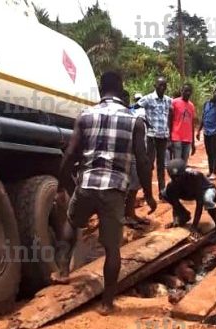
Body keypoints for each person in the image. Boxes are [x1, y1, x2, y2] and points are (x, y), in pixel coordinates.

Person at [54, 71, 157, 315]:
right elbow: (143, 162)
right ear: (121, 89)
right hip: (113, 191)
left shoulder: (85, 116)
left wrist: (61, 184)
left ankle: (62, 272)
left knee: (72, 222)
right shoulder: (135, 121)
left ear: (101, 89)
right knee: (112, 248)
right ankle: (107, 303)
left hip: (87, 184)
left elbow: (70, 154)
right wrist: (150, 194)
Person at [162, 159, 216, 239]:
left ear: (184, 173)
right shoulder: (172, 185)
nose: (176, 179)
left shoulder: (195, 176)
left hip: (205, 189)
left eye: (178, 177)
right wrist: (176, 219)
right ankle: (185, 215)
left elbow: (199, 202)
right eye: (173, 177)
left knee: (207, 200)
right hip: (188, 192)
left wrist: (194, 226)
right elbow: (175, 202)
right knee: (165, 193)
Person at [134, 76, 173, 195]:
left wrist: (169, 134)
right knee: (149, 164)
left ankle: (162, 191)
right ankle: (147, 192)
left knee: (161, 165)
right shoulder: (148, 99)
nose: (162, 88)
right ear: (155, 86)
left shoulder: (168, 100)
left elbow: (170, 115)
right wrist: (143, 121)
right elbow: (135, 108)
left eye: (164, 86)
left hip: (163, 136)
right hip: (151, 136)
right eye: (160, 85)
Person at [122, 90, 151, 229]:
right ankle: (127, 216)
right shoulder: (128, 116)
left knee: (134, 187)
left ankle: (131, 214)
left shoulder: (134, 113)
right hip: (130, 155)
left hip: (135, 154)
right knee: (130, 188)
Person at [197, 88, 216, 180]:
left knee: (214, 152)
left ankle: (214, 172)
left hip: (215, 132)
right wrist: (199, 130)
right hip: (206, 132)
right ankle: (210, 171)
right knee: (209, 152)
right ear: (213, 93)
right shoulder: (207, 104)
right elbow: (204, 117)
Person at [170, 83, 196, 162]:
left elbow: (192, 125)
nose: (187, 93)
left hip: (187, 139)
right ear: (181, 91)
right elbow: (169, 120)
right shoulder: (174, 102)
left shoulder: (191, 106)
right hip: (176, 137)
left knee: (184, 162)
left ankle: (182, 175)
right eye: (185, 91)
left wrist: (193, 142)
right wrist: (169, 137)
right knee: (177, 162)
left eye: (189, 91)